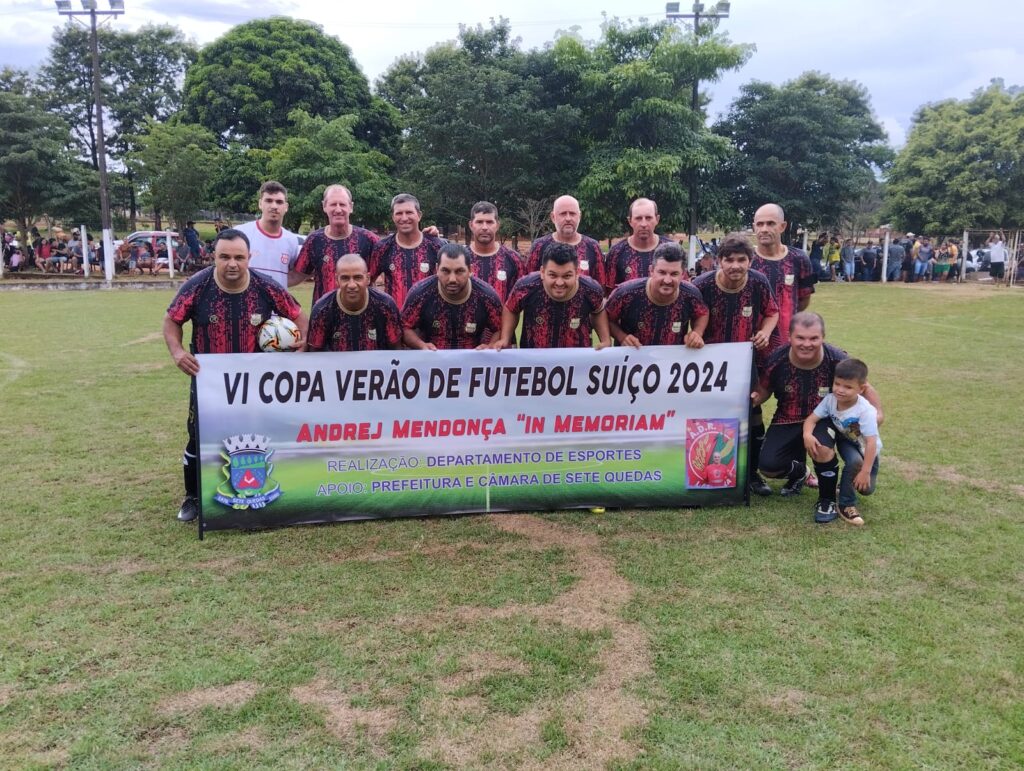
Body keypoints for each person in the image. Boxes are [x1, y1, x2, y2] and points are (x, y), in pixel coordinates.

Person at [162, 228, 308, 523]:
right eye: (224, 257)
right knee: (199, 436)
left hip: (256, 382)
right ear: (213, 257)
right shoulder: (197, 286)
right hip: (210, 380)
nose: (232, 263)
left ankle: (265, 491)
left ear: (249, 258)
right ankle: (193, 496)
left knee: (258, 434)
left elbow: (299, 316)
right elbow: (171, 320)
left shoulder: (266, 287)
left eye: (239, 257)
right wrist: (178, 352)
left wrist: (299, 351)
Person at [753, 312, 883, 521]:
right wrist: (755, 398)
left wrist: (878, 412)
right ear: (790, 337)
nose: (807, 344)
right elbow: (765, 389)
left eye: (814, 338)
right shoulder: (776, 359)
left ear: (823, 337)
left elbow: (864, 386)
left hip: (824, 419)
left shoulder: (836, 358)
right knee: (768, 466)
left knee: (822, 449)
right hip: (787, 417)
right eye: (800, 338)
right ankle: (800, 472)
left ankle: (827, 500)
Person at [692, 233, 781, 497]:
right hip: (708, 365)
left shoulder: (758, 282)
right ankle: (704, 470)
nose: (735, 265)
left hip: (745, 361)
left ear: (750, 261)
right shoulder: (702, 284)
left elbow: (772, 312)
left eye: (741, 260)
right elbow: (691, 316)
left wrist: (765, 331)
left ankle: (752, 474)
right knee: (706, 417)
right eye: (728, 259)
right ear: (718, 261)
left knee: (752, 413)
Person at [803, 357, 881, 526]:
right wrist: (807, 435)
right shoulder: (830, 400)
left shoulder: (865, 410)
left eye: (848, 387)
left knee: (866, 489)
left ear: (861, 389)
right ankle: (846, 504)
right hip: (847, 441)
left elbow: (871, 443)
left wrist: (866, 471)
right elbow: (811, 419)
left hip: (866, 448)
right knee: (854, 462)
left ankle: (845, 485)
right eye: (837, 384)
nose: (840, 390)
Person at [493, 241, 611, 350]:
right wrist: (505, 338)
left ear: (577, 273)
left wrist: (605, 339)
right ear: (543, 272)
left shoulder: (591, 289)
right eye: (553, 275)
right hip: (534, 363)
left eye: (567, 276)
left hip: (576, 364)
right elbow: (511, 309)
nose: (559, 283)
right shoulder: (525, 287)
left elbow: (598, 310)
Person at [606, 241, 709, 348]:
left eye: (674, 274)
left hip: (671, 361)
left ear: (683, 274)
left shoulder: (691, 295)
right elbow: (605, 318)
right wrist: (621, 337)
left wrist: (697, 332)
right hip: (632, 360)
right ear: (651, 270)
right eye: (662, 272)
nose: (667, 280)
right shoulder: (625, 293)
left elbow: (702, 313)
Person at [402, 243, 503, 350]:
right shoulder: (420, 293)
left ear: (470, 270)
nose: (452, 279)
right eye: (445, 271)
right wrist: (421, 345)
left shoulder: (487, 296)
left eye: (459, 271)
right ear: (437, 269)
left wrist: (490, 346)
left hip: (473, 362)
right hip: (431, 362)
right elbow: (404, 327)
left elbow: (500, 328)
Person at [291, 184, 379, 304]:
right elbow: (296, 276)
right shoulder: (314, 240)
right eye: (333, 204)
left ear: (351, 207)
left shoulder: (369, 240)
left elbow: (389, 274)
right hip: (323, 316)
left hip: (362, 318)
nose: (338, 210)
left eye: (342, 204)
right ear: (324, 206)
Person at [305, 254, 402, 352]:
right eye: (345, 278)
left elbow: (396, 348)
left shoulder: (385, 305)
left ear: (368, 278)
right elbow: (314, 355)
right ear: (336, 280)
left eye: (358, 277)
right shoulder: (322, 309)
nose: (351, 285)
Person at [750, 203, 816, 345]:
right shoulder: (745, 261)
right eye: (759, 224)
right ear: (754, 227)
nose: (764, 229)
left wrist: (785, 317)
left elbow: (804, 299)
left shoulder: (800, 259)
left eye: (770, 224)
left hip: (785, 344)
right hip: (750, 342)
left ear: (783, 226)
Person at [368, 193, 445, 310]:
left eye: (409, 212)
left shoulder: (436, 245)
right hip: (395, 319)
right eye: (399, 213)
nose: (404, 218)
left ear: (419, 215)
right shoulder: (382, 248)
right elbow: (368, 280)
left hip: (429, 320)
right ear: (393, 217)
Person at [526, 195, 608, 288]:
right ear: (553, 217)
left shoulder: (593, 247)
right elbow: (528, 285)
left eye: (572, 213)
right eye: (563, 214)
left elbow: (600, 287)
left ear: (579, 216)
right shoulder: (539, 246)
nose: (568, 218)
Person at [234, 181, 301, 289]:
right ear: (260, 203)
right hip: (245, 304)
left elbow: (292, 276)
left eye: (279, 202)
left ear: (286, 207)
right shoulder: (241, 233)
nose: (274, 206)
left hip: (277, 305)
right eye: (269, 201)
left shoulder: (291, 240)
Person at [604, 198, 673, 290]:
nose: (643, 224)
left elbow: (682, 287)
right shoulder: (616, 252)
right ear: (630, 221)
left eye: (648, 218)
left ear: (657, 219)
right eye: (638, 218)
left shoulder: (671, 250)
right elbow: (609, 292)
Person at [466, 202, 526, 303]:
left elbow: (522, 298)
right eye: (479, 222)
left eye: (489, 222)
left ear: (497, 225)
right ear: (471, 225)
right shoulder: (461, 258)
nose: (484, 227)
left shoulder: (513, 259)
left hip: (502, 318)